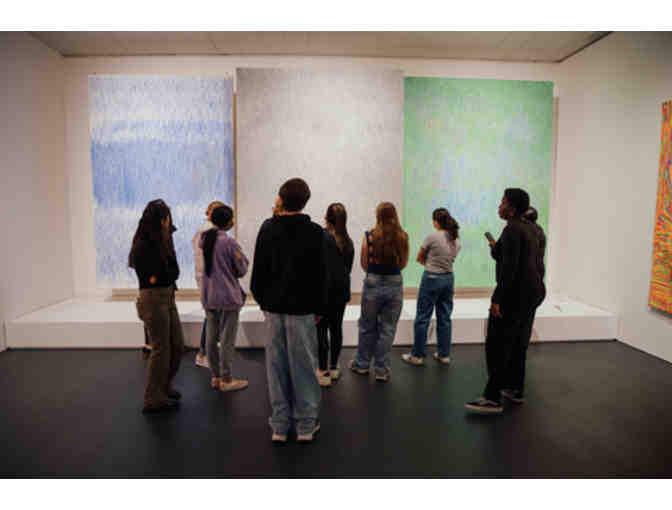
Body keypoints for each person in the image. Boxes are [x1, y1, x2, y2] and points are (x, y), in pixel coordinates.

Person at [250, 178, 329, 444]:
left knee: (276, 368)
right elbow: (322, 275)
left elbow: (258, 272)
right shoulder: (315, 232)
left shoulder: (267, 228)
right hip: (303, 310)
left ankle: (280, 425)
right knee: (304, 367)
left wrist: (263, 302)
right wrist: (319, 307)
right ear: (305, 201)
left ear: (281, 199)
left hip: (274, 309)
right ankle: (306, 424)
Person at [465, 189, 546, 414]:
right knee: (519, 343)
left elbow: (510, 269)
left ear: (511, 207)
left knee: (498, 344)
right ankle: (515, 388)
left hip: (516, 294)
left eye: (502, 202)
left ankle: (492, 397)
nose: (499, 206)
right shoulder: (533, 229)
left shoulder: (512, 230)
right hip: (533, 292)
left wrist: (497, 300)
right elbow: (518, 258)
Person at [129, 199, 184, 414]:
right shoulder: (145, 244)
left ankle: (163, 387)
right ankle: (153, 397)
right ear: (161, 219)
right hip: (153, 299)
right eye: (167, 216)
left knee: (176, 345)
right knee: (161, 348)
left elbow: (171, 272)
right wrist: (162, 276)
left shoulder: (163, 239)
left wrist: (163, 276)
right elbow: (156, 275)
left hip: (166, 295)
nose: (169, 220)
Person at [349, 202, 409, 382]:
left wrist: (375, 272)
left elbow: (364, 263)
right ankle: (381, 370)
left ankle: (362, 364)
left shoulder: (369, 236)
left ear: (378, 216)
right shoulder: (403, 237)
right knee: (387, 329)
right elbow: (403, 263)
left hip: (373, 281)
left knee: (367, 326)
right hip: (394, 282)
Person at [402, 208, 461, 366]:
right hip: (448, 279)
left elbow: (419, 258)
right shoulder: (455, 238)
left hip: (431, 278)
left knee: (423, 318)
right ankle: (444, 354)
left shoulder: (432, 237)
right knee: (445, 318)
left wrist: (430, 263)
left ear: (436, 221)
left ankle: (417, 355)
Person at [200, 205, 250, 392]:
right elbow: (242, 269)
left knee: (211, 337)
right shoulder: (229, 243)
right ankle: (226, 379)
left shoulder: (204, 239)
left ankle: (215, 376)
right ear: (227, 222)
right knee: (227, 339)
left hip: (209, 295)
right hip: (227, 296)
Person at [316, 203, 354, 387]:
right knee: (336, 328)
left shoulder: (321, 237)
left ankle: (323, 370)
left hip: (323, 292)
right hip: (341, 292)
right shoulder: (348, 241)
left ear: (327, 217)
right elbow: (348, 269)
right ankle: (334, 366)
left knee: (321, 330)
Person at [192, 200, 225, 369]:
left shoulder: (207, 231)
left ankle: (206, 352)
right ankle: (204, 353)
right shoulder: (207, 231)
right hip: (208, 279)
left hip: (207, 278)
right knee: (211, 316)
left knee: (212, 315)